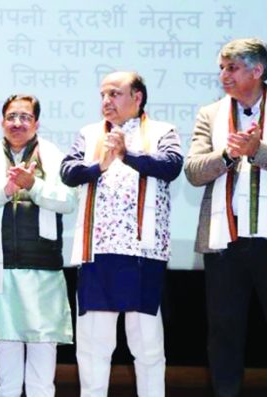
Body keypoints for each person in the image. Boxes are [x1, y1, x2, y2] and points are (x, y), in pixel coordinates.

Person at [184, 38, 267, 397]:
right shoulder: (211, 114)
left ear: (258, 70)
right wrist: (225, 156)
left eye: (232, 68)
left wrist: (260, 152)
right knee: (223, 335)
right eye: (222, 68)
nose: (224, 75)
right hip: (226, 243)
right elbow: (192, 170)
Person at [60, 71, 182, 397]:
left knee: (148, 345)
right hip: (97, 252)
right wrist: (99, 165)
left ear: (137, 97)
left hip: (144, 253)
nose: (106, 101)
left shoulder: (162, 131)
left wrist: (128, 155)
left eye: (114, 94)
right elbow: (68, 172)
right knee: (93, 346)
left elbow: (171, 165)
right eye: (103, 95)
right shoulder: (89, 134)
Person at [0, 94, 75, 397]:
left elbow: (69, 201)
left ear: (37, 122)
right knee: (6, 352)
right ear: (2, 121)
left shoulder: (53, 155)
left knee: (42, 356)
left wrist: (33, 186)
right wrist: (6, 189)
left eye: (25, 117)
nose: (17, 123)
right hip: (1, 267)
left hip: (43, 268)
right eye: (11, 117)